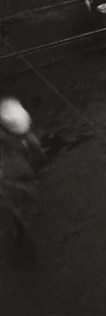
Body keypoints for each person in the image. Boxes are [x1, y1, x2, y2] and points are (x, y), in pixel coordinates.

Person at [0, 95, 45, 247]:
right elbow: (39, 153)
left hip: (8, 173)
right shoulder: (27, 135)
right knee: (25, 191)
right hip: (25, 169)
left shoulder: (3, 135)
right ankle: (28, 201)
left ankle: (21, 232)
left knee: (15, 204)